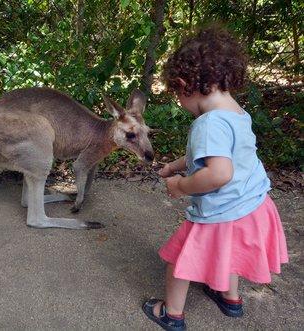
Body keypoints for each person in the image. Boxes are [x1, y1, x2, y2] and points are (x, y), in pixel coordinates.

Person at [142, 26, 289, 331]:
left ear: (184, 86)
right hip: (252, 205)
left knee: (179, 261)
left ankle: (172, 314)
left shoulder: (208, 123)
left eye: (176, 94)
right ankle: (230, 299)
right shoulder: (236, 111)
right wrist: (176, 165)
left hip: (221, 212)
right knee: (231, 252)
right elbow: (216, 154)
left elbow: (220, 172)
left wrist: (181, 186)